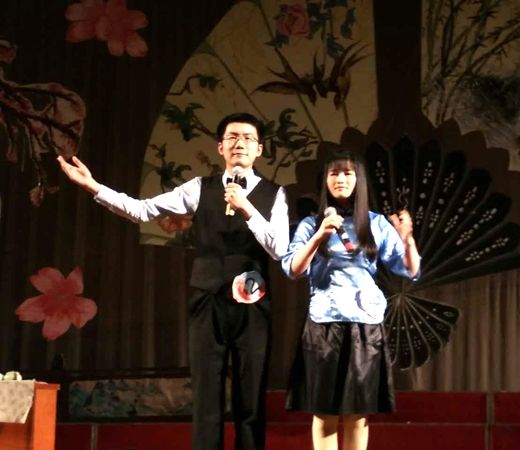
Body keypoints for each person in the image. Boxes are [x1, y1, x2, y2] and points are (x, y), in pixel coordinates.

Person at [57, 112, 289, 450]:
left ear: (259, 150)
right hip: (207, 300)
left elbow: (279, 249)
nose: (240, 143)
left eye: (248, 138)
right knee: (206, 397)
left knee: (250, 399)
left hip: (253, 305)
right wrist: (93, 187)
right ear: (220, 147)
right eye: (233, 137)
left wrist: (246, 208)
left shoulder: (273, 194)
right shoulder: (199, 188)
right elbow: (141, 210)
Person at [281, 150, 420, 450]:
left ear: (359, 180)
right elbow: (293, 269)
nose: (341, 179)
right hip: (324, 325)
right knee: (325, 414)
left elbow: (410, 270)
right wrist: (319, 236)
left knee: (358, 415)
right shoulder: (310, 224)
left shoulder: (376, 223)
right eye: (334, 173)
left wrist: (407, 239)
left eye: (347, 173)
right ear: (325, 181)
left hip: (365, 326)